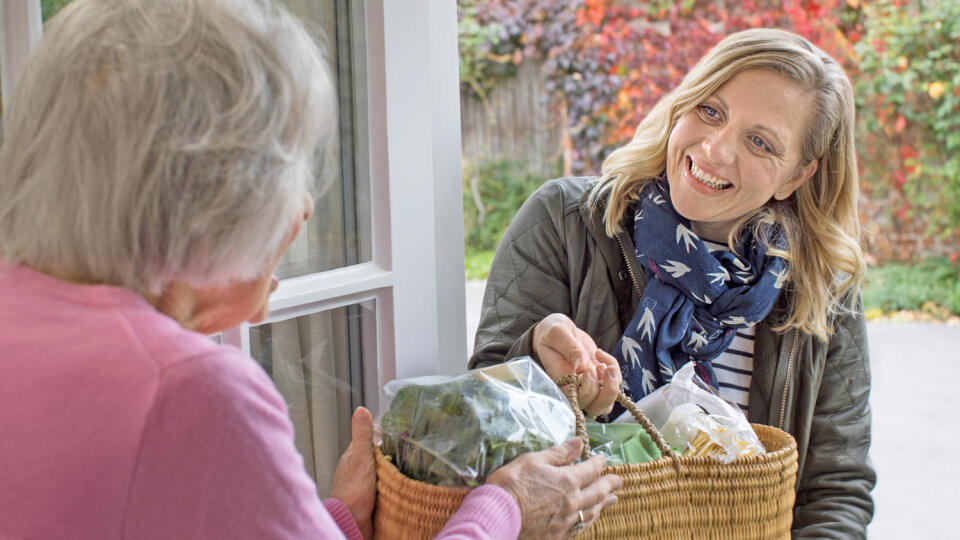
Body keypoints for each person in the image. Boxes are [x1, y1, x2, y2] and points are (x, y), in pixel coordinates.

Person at [0, 0, 621, 539]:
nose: (301, 211)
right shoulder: (192, 394)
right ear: (208, 194)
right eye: (289, 164)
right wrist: (506, 509)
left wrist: (337, 519)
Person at [470, 28, 875, 538]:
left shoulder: (822, 290)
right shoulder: (563, 222)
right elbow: (481, 419)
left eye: (759, 142)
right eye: (710, 110)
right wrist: (538, 362)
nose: (715, 149)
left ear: (796, 176)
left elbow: (834, 491)